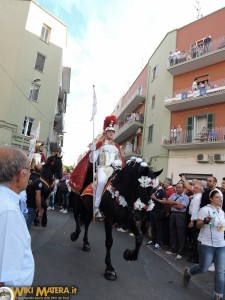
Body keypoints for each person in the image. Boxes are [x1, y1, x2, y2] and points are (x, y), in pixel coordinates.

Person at [70, 115, 124, 218]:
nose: (111, 133)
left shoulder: (116, 147)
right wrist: (93, 150)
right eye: (109, 132)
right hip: (102, 168)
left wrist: (117, 163)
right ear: (105, 133)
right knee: (102, 182)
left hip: (114, 169)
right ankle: (96, 207)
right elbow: (93, 160)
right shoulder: (100, 145)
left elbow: (119, 160)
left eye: (113, 132)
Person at [0, 146, 34, 287]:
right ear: (21, 174)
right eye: (29, 170)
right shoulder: (9, 211)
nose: (30, 175)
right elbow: (5, 276)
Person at [183, 190, 225, 300]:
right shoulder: (204, 210)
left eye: (221, 197)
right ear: (211, 198)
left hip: (220, 245)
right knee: (203, 268)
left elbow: (221, 228)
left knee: (220, 271)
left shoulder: (222, 212)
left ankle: (218, 296)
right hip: (206, 244)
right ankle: (189, 272)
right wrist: (205, 221)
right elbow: (198, 225)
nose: (220, 199)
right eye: (217, 197)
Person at [166, 182, 190, 260]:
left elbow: (181, 207)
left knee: (180, 234)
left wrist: (172, 203)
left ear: (183, 188)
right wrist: (175, 203)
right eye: (177, 187)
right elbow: (168, 201)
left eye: (179, 187)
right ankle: (173, 249)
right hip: (173, 214)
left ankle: (180, 252)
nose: (177, 189)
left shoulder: (185, 197)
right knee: (173, 232)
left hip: (181, 215)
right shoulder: (174, 195)